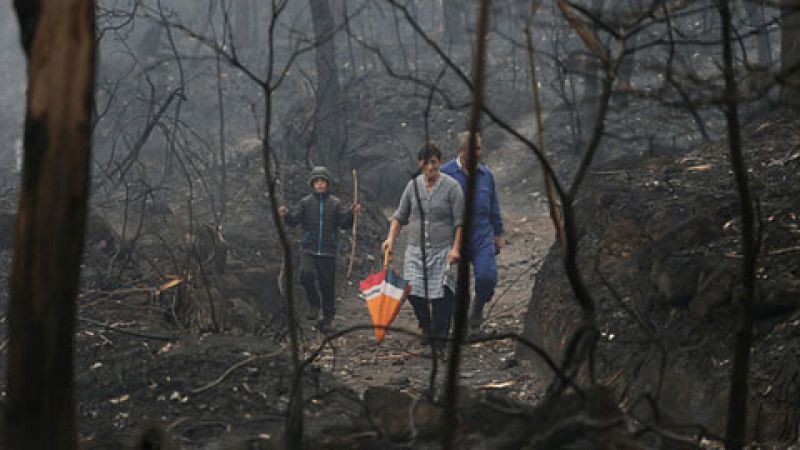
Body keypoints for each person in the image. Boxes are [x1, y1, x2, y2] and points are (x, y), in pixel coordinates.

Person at [382, 143, 464, 352]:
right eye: (426, 163)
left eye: (434, 163)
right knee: (413, 291)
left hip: (443, 249)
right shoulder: (413, 186)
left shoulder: (452, 187)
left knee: (442, 294)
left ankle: (440, 339)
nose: (430, 168)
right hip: (416, 249)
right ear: (420, 164)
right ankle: (426, 327)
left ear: (440, 162)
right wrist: (391, 239)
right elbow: (400, 216)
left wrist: (456, 249)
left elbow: (460, 222)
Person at [279, 166, 360, 332]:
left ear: (327, 184)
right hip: (309, 248)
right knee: (305, 274)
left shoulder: (335, 204)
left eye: (323, 181)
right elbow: (294, 221)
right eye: (317, 182)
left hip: (328, 250)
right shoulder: (305, 203)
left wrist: (352, 213)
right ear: (312, 184)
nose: (320, 185)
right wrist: (286, 214)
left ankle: (328, 317)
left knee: (327, 285)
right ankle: (314, 304)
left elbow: (344, 224)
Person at [440, 131, 504, 332]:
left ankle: (477, 308)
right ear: (461, 150)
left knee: (487, 277)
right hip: (454, 237)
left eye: (478, 148)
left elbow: (494, 205)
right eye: (472, 149)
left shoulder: (487, 175)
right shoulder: (446, 174)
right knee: (458, 286)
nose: (477, 153)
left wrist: (499, 233)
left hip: (482, 235)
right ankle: (461, 326)